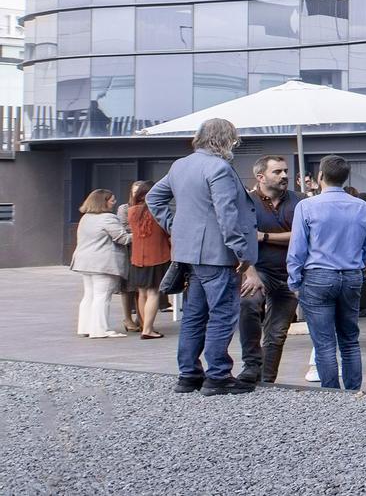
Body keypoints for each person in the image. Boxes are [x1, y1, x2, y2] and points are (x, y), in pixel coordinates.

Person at [146, 117, 260, 395]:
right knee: (222, 313)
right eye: (233, 139)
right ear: (225, 140)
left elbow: (153, 198)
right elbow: (226, 213)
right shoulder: (219, 167)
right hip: (216, 253)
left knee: (194, 314)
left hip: (189, 253)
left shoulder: (180, 165)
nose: (235, 144)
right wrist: (240, 252)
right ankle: (218, 375)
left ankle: (188, 374)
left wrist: (176, 227)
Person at [286, 155, 366, 391]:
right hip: (350, 275)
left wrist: (294, 281)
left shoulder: (306, 206)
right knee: (349, 339)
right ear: (346, 177)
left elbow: (297, 248)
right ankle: (353, 391)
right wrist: (360, 269)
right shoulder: (362, 206)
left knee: (324, 342)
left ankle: (331, 394)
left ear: (320, 177)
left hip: (317, 276)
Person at [235, 155, 299, 386]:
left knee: (277, 332)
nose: (284, 176)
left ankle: (266, 380)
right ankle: (251, 365)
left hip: (291, 274)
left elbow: (302, 237)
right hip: (259, 271)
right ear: (260, 177)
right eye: (277, 172)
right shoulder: (246, 202)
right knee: (249, 303)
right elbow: (239, 238)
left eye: (285, 171)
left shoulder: (299, 201)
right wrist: (249, 271)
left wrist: (264, 237)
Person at [72, 189, 132, 339]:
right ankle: (100, 329)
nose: (114, 202)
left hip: (84, 261)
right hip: (103, 263)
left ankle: (85, 327)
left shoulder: (86, 217)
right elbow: (122, 238)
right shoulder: (107, 218)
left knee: (89, 295)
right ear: (103, 202)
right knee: (102, 296)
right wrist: (142, 234)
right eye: (112, 200)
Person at [125, 181, 171, 339]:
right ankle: (147, 329)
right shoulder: (159, 210)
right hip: (158, 256)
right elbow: (169, 231)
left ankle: (145, 325)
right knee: (154, 293)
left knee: (142, 293)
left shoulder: (131, 211)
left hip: (137, 257)